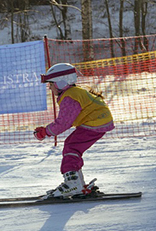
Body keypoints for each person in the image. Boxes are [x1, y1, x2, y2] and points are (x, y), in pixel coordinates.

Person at [34, 62, 114, 197]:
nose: (49, 88)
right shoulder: (74, 93)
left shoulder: (69, 97)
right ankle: (78, 184)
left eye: (51, 84)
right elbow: (69, 120)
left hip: (94, 123)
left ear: (60, 83)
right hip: (97, 122)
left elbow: (64, 123)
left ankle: (73, 184)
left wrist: (46, 132)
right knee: (72, 147)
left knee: (71, 147)